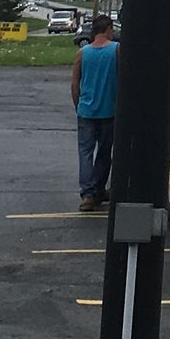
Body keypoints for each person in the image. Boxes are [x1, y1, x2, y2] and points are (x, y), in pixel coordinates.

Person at [71, 14, 119, 210]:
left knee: (85, 152)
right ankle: (99, 188)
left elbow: (75, 83)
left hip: (86, 110)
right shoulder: (116, 50)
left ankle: (87, 193)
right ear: (107, 29)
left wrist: (78, 104)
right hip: (109, 110)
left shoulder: (82, 53)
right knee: (104, 152)